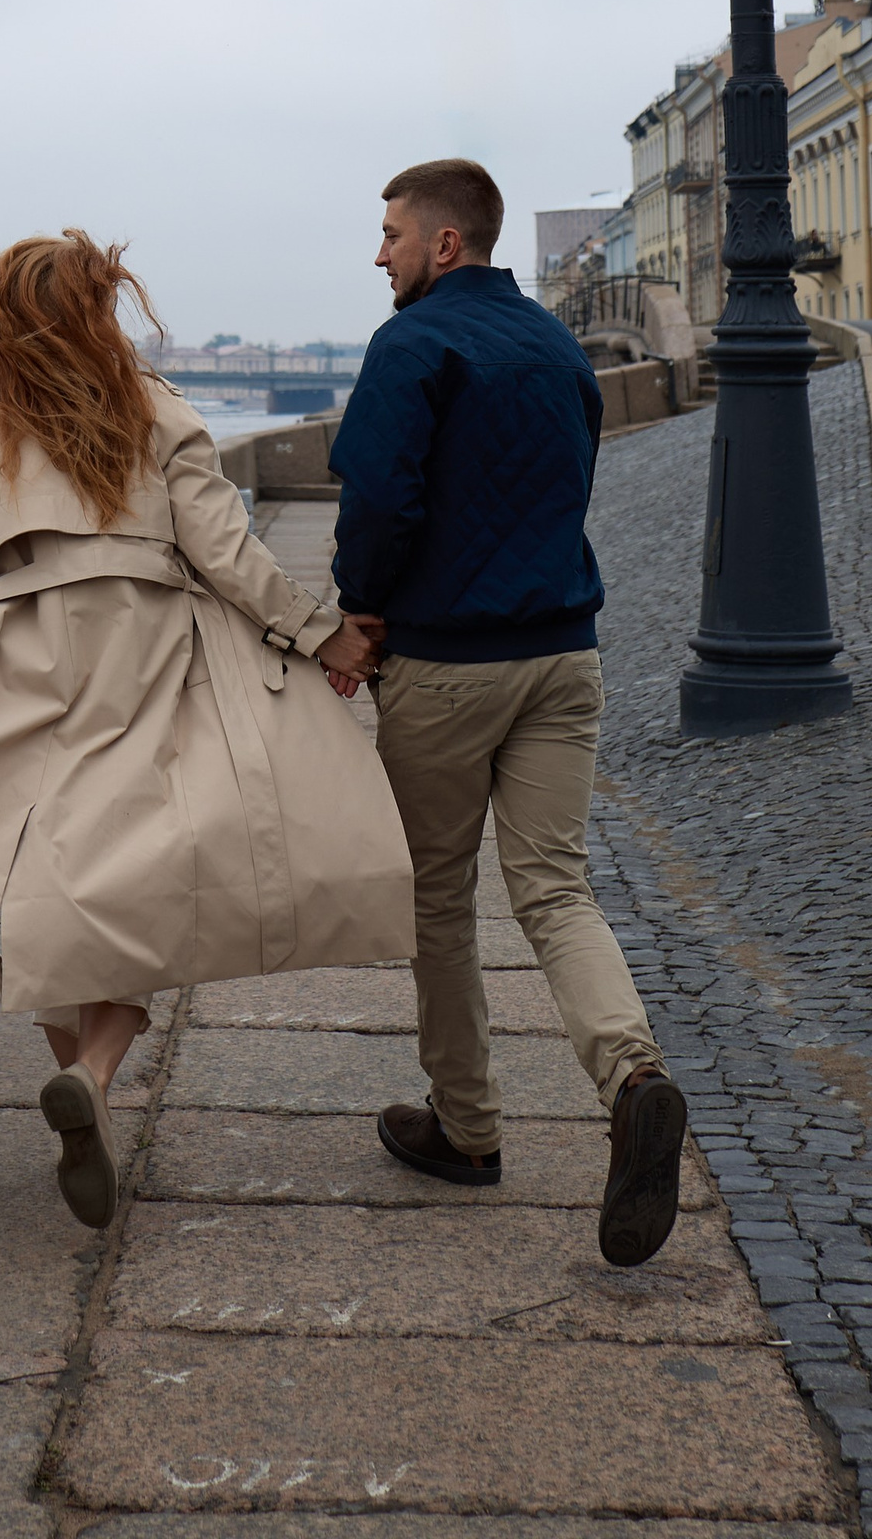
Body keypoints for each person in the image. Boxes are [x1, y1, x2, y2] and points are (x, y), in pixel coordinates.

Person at [0, 230, 413, 1228]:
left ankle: (86, 1083)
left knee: (41, 871)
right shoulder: (159, 407)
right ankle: (94, 1071)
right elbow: (227, 552)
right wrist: (320, 636)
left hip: (18, 661)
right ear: (101, 308)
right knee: (136, 861)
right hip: (148, 651)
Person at [328, 157, 687, 1268]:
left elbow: (381, 496)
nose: (376, 252)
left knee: (440, 894)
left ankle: (469, 1128)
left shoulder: (411, 342)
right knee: (554, 884)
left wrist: (362, 609)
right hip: (561, 652)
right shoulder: (553, 345)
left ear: (444, 244)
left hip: (446, 661)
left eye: (390, 233)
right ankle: (631, 1073)